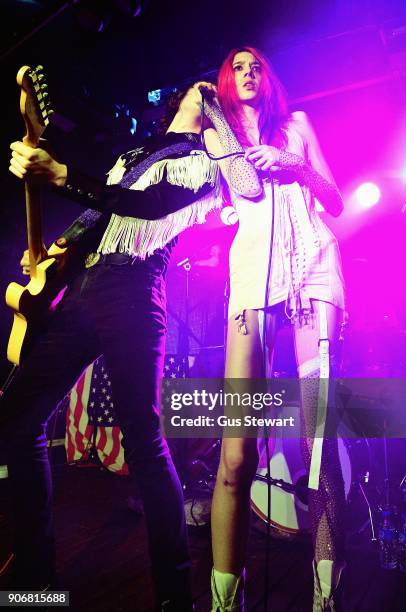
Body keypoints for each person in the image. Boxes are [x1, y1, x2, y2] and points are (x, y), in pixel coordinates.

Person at [1, 82, 220, 611]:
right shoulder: (135, 152)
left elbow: (148, 207)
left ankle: (174, 598)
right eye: (203, 79)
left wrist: (62, 175)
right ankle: (34, 580)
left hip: (136, 292)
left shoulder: (206, 160)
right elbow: (100, 217)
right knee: (15, 419)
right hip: (85, 287)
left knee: (144, 442)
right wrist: (54, 254)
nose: (209, 86)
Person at [202, 47, 346, 611]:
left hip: (312, 271)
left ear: (269, 76)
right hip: (252, 285)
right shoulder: (220, 139)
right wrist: (214, 114)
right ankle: (224, 599)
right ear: (224, 81)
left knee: (317, 445)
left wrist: (298, 166)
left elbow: (332, 199)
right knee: (237, 455)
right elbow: (249, 187)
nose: (247, 73)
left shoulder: (299, 126)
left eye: (255, 65)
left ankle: (325, 594)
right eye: (235, 67)